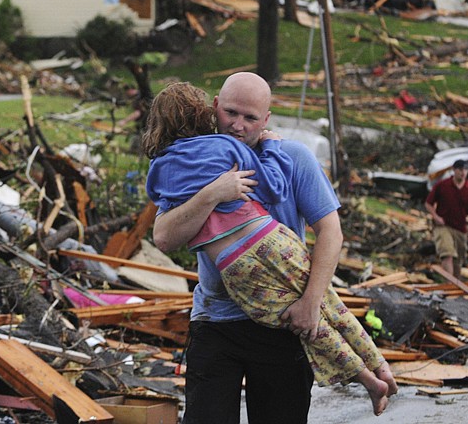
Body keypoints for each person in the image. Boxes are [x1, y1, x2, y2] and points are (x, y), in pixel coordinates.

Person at [150, 73, 394, 423]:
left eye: (250, 118)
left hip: (284, 321)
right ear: (214, 106)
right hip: (216, 320)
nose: (237, 125)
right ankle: (372, 376)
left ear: (266, 119)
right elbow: (163, 235)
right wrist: (214, 193)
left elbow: (330, 232)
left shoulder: (293, 156)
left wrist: (309, 303)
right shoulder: (196, 161)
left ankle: (376, 373)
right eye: (231, 113)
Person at [424, 159, 468, 280]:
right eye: (460, 170)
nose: (463, 172)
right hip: (443, 225)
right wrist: (436, 217)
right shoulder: (443, 185)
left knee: (457, 261)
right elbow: (428, 203)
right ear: (454, 170)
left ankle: (455, 286)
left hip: (460, 228)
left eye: (465, 170)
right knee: (447, 254)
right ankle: (449, 284)